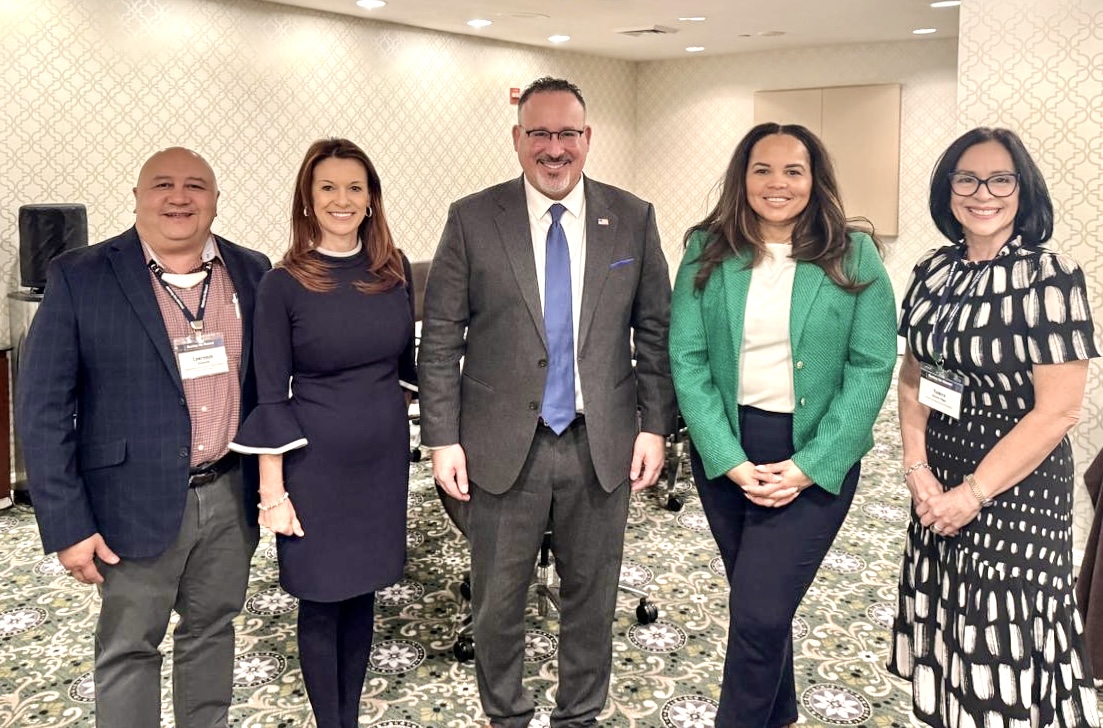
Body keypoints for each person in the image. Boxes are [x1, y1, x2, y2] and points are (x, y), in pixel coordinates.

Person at [417, 76, 676, 728]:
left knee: (591, 598)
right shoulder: (473, 218)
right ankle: (505, 714)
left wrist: (654, 428)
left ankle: (578, 715)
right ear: (517, 139)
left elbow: (655, 331)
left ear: (587, 139)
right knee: (497, 604)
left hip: (602, 440)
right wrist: (441, 437)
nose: (553, 148)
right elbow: (442, 335)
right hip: (502, 447)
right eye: (539, 133)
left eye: (567, 134)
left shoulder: (632, 218)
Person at [16, 147, 270, 727]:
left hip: (231, 494)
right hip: (127, 501)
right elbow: (44, 409)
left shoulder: (253, 272)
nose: (178, 197)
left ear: (214, 200)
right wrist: (67, 523)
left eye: (195, 186)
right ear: (136, 197)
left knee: (212, 631)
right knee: (130, 648)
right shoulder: (81, 275)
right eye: (162, 184)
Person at [668, 122, 898, 727]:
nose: (778, 183)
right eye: (762, 170)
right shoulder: (708, 248)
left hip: (814, 454)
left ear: (815, 179)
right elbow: (687, 359)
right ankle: (782, 713)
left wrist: (809, 466)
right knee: (757, 601)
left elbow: (872, 366)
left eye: (793, 170)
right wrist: (727, 457)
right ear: (742, 179)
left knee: (760, 609)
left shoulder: (854, 251)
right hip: (728, 452)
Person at [887, 127, 1101, 727]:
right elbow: (913, 377)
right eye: (967, 178)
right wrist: (916, 467)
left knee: (1003, 643)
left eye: (1000, 178)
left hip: (1015, 488)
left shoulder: (1050, 275)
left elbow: (1058, 410)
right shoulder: (934, 270)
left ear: (1022, 189)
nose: (983, 193)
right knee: (951, 629)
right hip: (938, 478)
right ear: (947, 189)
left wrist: (974, 493)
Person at [228, 138, 416, 728]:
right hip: (315, 468)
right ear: (308, 200)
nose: (342, 199)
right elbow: (269, 391)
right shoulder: (283, 282)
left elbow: (411, 371)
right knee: (320, 597)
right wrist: (272, 491)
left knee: (363, 592)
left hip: (382, 462)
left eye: (354, 187)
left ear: (371, 198)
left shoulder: (394, 270)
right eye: (327, 187)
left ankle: (351, 718)